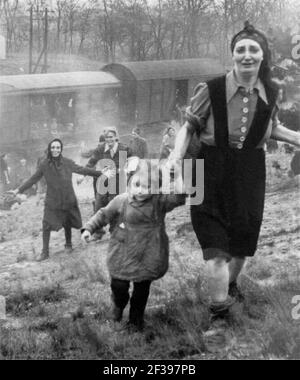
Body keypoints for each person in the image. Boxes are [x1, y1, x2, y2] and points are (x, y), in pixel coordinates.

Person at [171, 21, 300, 319]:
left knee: (242, 246)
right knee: (216, 248)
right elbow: (188, 127)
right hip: (207, 168)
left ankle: (229, 288)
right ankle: (219, 315)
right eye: (240, 49)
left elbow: (273, 128)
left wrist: (296, 138)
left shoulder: (271, 91)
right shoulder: (211, 88)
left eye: (253, 49)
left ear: (262, 56)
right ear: (232, 55)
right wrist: (175, 159)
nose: (246, 55)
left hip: (250, 172)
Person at [81, 158, 185, 331]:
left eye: (146, 187)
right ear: (130, 184)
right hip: (122, 251)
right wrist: (89, 229)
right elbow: (103, 214)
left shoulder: (159, 203)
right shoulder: (121, 200)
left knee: (141, 289)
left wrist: (180, 173)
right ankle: (118, 303)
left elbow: (180, 196)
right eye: (137, 185)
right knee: (119, 285)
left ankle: (136, 321)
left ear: (155, 188)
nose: (141, 190)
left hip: (149, 252)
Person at [11, 139, 103, 261]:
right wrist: (18, 190)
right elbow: (33, 179)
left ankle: (69, 244)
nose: (55, 150)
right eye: (53, 147)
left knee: (67, 222)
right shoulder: (44, 164)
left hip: (67, 197)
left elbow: (83, 170)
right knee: (46, 224)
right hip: (52, 199)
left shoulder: (67, 162)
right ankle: (45, 252)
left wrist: (101, 173)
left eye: (58, 147)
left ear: (61, 149)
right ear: (50, 149)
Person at [83, 127, 132, 239]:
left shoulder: (123, 148)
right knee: (99, 205)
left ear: (116, 138)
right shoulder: (100, 149)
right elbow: (91, 163)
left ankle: (114, 230)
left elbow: (133, 161)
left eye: (111, 137)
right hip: (104, 182)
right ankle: (98, 232)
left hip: (119, 181)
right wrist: (83, 175)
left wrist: (124, 169)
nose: (109, 139)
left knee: (115, 206)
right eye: (107, 137)